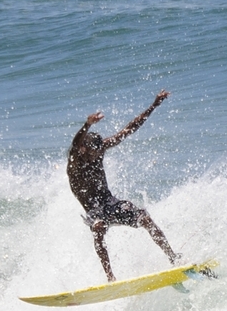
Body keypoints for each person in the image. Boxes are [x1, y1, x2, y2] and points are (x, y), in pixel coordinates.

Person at [67, 90, 179, 282]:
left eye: (98, 152)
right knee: (99, 227)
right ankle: (111, 277)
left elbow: (129, 129)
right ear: (83, 149)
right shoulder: (75, 158)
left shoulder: (100, 148)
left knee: (145, 218)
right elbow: (76, 142)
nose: (96, 156)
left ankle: (173, 258)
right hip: (93, 210)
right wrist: (86, 125)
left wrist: (154, 106)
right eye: (92, 153)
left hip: (110, 203)